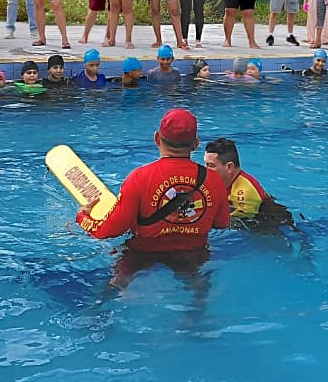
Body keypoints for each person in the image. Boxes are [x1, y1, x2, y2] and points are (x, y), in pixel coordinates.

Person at [74, 108, 230, 266]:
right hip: (194, 253)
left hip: (142, 253)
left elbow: (109, 231)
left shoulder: (139, 178)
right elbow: (222, 223)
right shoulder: (215, 180)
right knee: (199, 286)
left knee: (118, 286)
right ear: (196, 144)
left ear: (157, 138)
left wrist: (82, 217)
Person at [203, 137, 269, 220]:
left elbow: (236, 224)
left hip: (268, 224)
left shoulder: (244, 193)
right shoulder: (221, 181)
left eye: (211, 165)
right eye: (205, 164)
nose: (205, 169)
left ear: (229, 167)